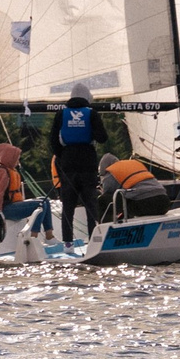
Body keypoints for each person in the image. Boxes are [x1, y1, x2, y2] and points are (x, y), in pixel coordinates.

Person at [50, 86, 102, 243]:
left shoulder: (61, 114)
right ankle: (95, 240)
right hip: (87, 164)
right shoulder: (92, 113)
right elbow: (103, 137)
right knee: (91, 205)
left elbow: (53, 141)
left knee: (68, 207)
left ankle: (67, 244)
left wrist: (63, 156)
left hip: (68, 165)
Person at [0, 141, 52, 242]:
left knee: (44, 200)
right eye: (16, 158)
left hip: (12, 205)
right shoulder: (1, 172)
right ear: (9, 157)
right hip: (5, 209)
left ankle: (49, 236)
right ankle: (34, 237)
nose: (18, 161)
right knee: (41, 204)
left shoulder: (8, 168)